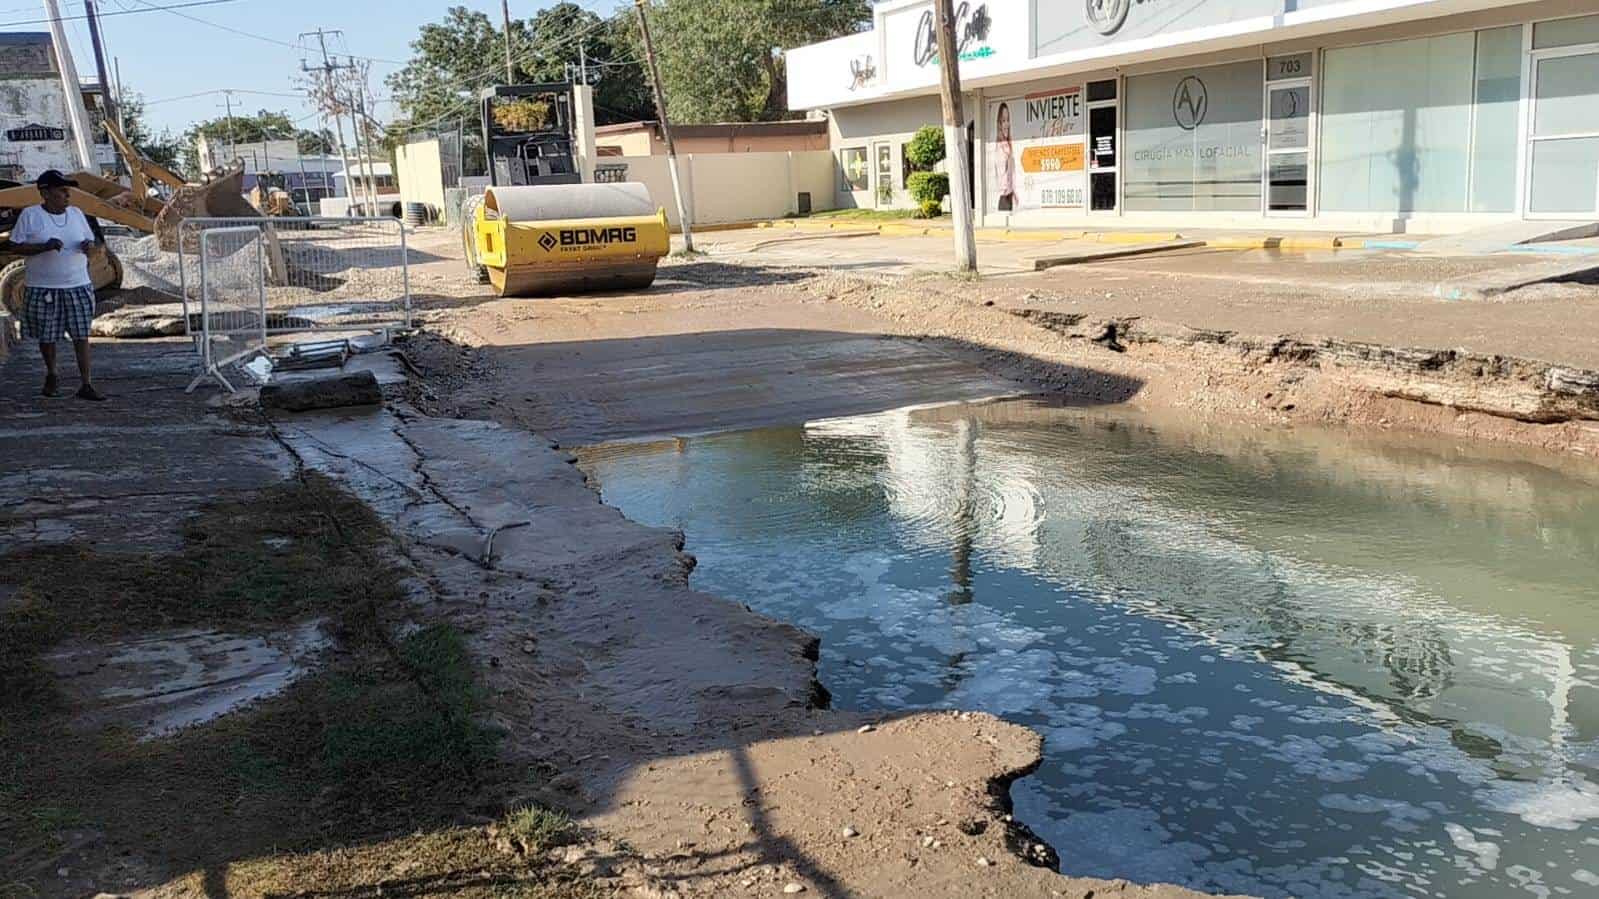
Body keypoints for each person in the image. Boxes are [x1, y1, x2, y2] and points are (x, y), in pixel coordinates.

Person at [8, 170, 105, 400]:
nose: (67, 195)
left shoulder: (76, 214)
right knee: (47, 335)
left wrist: (89, 247)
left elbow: (93, 240)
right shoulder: (30, 215)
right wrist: (44, 246)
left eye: (67, 191)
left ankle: (86, 383)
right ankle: (52, 374)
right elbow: (14, 246)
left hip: (78, 284)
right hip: (43, 287)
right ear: (45, 193)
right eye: (61, 191)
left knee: (82, 335)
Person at [993, 102, 1017, 212]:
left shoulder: (1008, 144)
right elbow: (1002, 174)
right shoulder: (1000, 147)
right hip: (1004, 197)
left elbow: (1010, 173)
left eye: (1008, 120)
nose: (1006, 124)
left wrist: (1014, 193)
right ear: (999, 123)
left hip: (1009, 196)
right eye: (1003, 121)